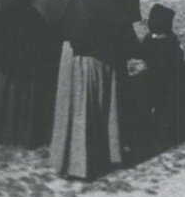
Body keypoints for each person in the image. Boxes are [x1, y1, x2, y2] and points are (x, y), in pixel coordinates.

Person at [50, 9, 136, 181]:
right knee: (97, 105)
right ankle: (95, 157)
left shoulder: (63, 4)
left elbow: (54, 34)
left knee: (73, 106)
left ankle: (71, 160)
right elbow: (128, 42)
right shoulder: (109, 3)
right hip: (99, 57)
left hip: (73, 58)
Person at [0, 0, 64, 149]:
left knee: (12, 88)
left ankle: (5, 130)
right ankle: (28, 133)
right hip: (28, 40)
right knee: (27, 87)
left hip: (18, 44)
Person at [132, 3, 185, 155]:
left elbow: (143, 55)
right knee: (164, 110)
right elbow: (179, 59)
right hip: (167, 82)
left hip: (152, 80)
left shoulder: (149, 39)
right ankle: (163, 137)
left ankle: (148, 137)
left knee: (150, 109)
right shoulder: (172, 40)